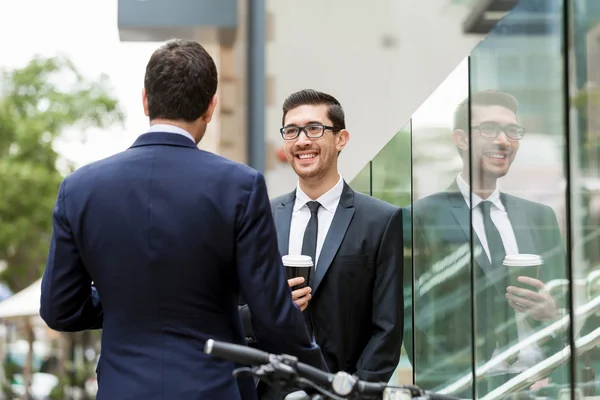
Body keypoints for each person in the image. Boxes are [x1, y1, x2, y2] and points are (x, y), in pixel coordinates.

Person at [39, 39, 326, 400]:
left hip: (121, 389)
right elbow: (272, 316)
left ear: (145, 100)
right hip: (214, 388)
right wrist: (323, 379)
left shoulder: (79, 189)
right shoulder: (240, 186)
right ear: (210, 107)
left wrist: (121, 298)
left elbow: (59, 309)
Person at [404, 90, 567, 397]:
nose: (504, 140)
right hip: (466, 389)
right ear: (461, 139)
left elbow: (565, 303)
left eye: (512, 131)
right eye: (490, 129)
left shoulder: (539, 216)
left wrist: (552, 319)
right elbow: (413, 320)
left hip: (544, 385)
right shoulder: (421, 218)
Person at [242, 89, 404, 397]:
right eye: (291, 131)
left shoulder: (381, 220)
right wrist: (271, 308)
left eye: (314, 129)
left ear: (341, 138)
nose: (301, 140)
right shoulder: (258, 216)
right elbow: (236, 315)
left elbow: (388, 330)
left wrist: (350, 393)